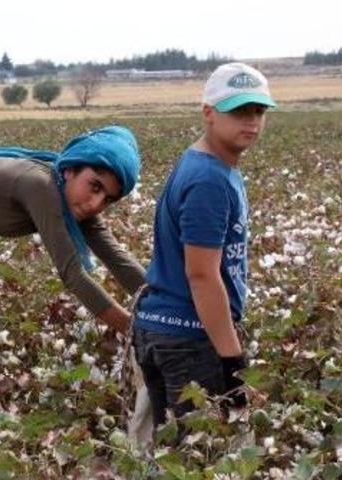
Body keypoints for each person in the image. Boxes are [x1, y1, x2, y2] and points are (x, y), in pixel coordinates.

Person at [132, 62, 276, 434]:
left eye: (259, 111)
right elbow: (201, 275)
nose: (252, 121)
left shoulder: (200, 163)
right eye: (240, 111)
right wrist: (232, 362)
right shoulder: (210, 179)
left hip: (164, 331)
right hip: (189, 339)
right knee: (203, 457)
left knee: (174, 453)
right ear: (209, 113)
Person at [0, 125, 146, 344]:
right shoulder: (41, 186)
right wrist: (138, 332)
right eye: (95, 186)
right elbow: (73, 274)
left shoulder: (68, 192)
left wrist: (170, 310)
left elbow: (116, 258)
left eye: (108, 199)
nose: (95, 204)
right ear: (71, 169)